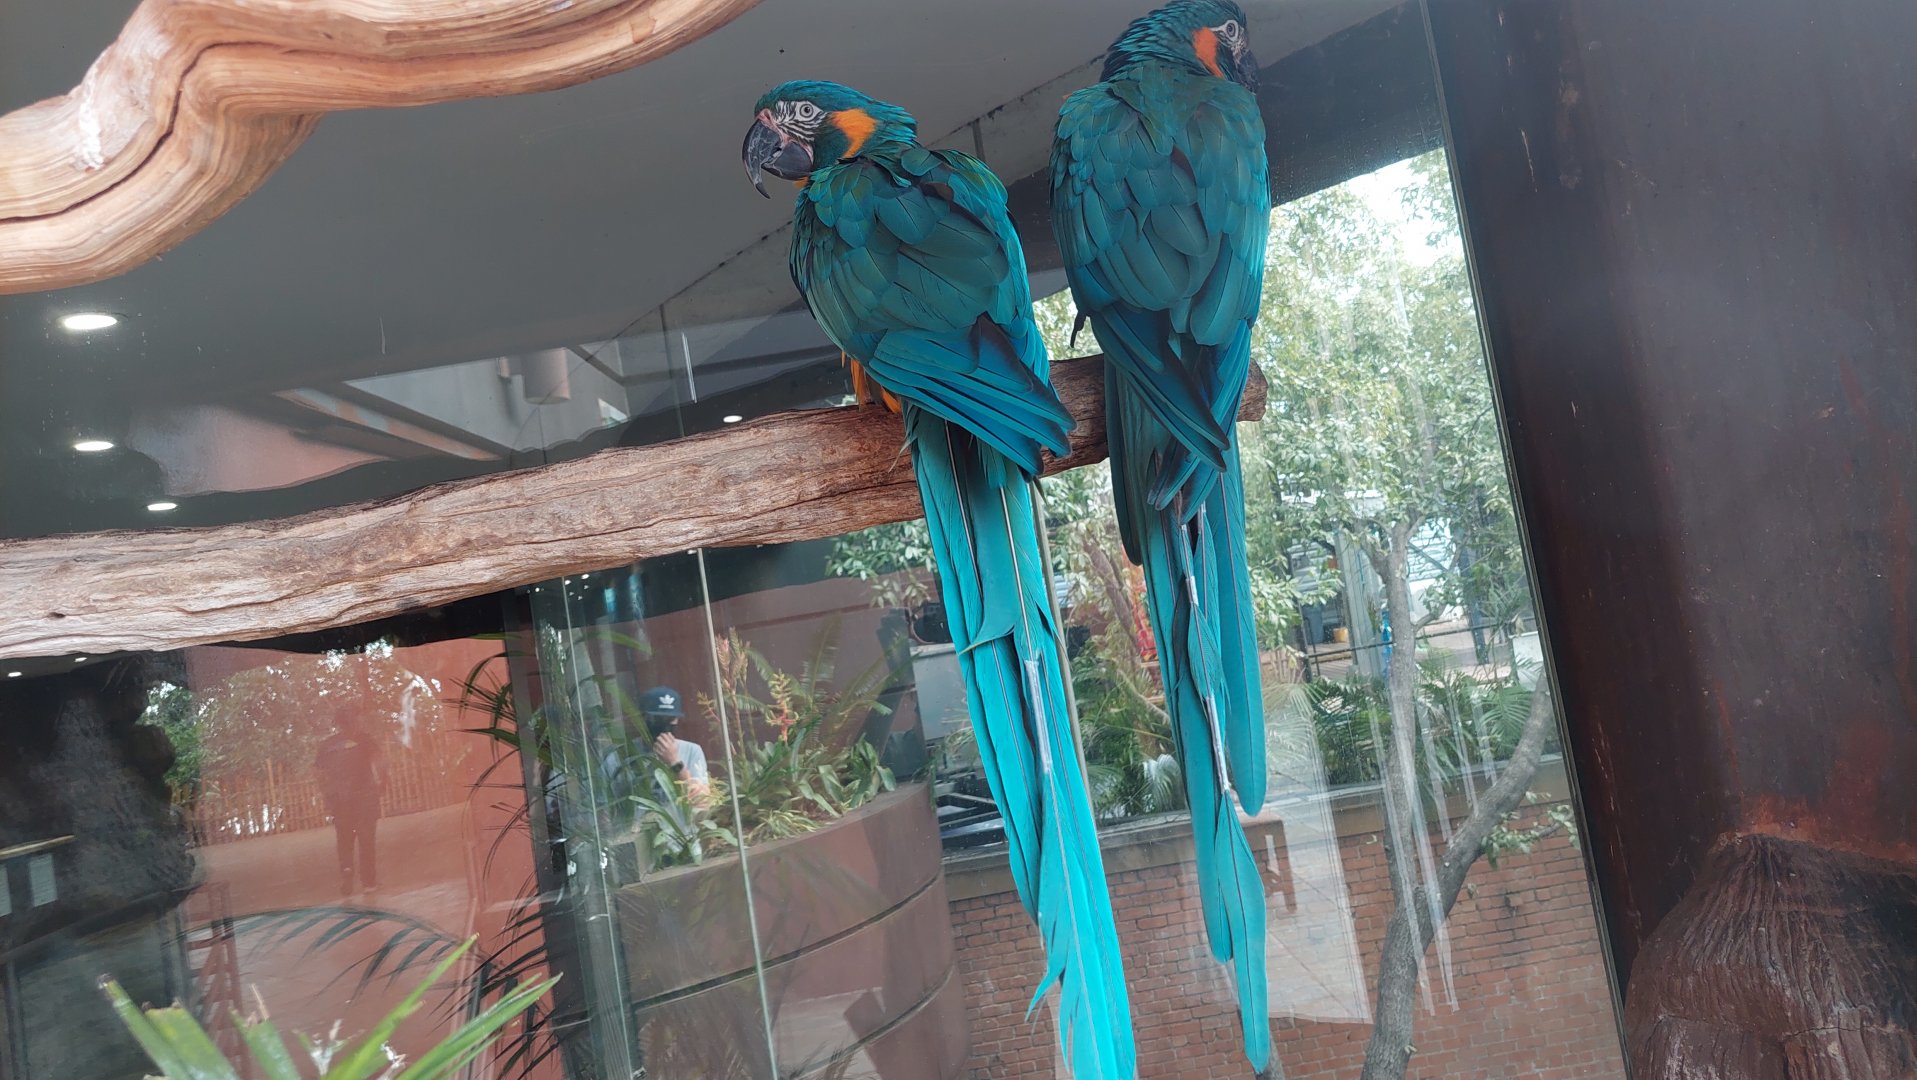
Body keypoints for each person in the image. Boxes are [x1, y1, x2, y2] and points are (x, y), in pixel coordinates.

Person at [315, 715, 384, 895]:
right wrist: (379, 788)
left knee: (344, 840)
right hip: (364, 798)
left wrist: (328, 797)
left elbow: (320, 774)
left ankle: (347, 871)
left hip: (340, 800)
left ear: (338, 723)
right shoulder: (366, 740)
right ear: (355, 721)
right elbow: (378, 766)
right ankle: (368, 881)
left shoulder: (327, 745)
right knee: (366, 839)